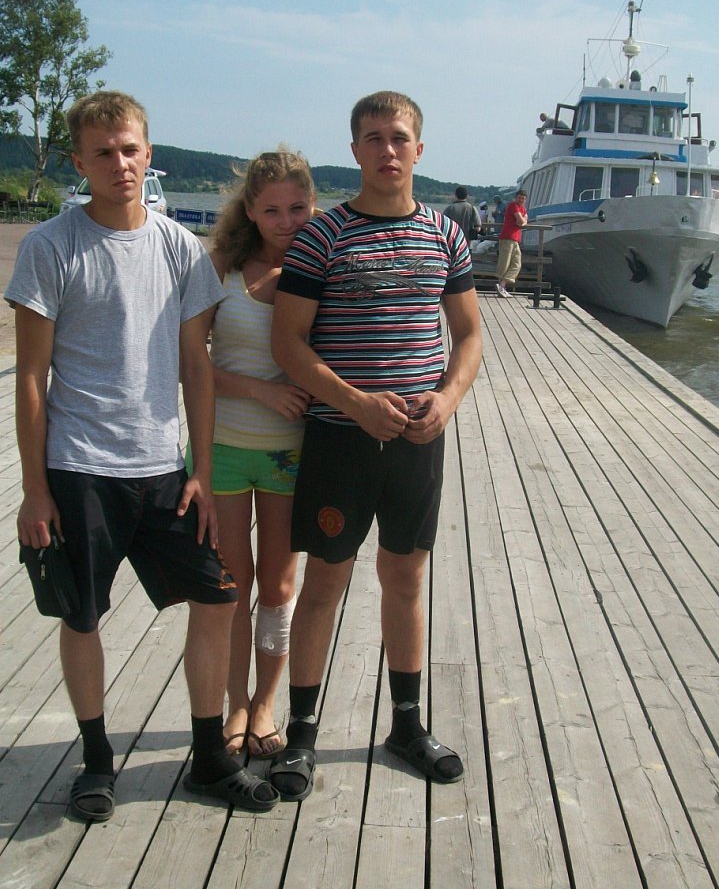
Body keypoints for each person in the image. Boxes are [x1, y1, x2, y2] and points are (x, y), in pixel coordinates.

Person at [6, 90, 279, 821]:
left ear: (148, 153)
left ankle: (210, 757)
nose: (119, 164)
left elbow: (196, 365)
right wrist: (35, 489)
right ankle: (97, 760)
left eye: (130, 150)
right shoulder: (50, 247)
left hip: (164, 468)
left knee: (219, 598)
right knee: (82, 616)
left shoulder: (179, 248)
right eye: (103, 153)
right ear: (80, 162)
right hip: (78, 467)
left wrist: (200, 469)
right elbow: (30, 376)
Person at [266, 90, 482, 802]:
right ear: (355, 149)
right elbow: (288, 343)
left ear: (419, 148)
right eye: (373, 138)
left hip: (418, 440)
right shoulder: (323, 237)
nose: (387, 150)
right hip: (340, 440)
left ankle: (407, 726)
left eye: (399, 137)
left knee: (406, 578)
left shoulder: (445, 236)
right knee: (325, 581)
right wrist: (355, 403)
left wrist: (447, 400)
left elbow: (469, 335)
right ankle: (301, 735)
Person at [191, 150, 313, 761]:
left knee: (280, 583)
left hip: (292, 454)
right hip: (226, 448)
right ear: (249, 212)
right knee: (232, 584)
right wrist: (261, 390)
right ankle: (235, 701)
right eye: (271, 211)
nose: (286, 222)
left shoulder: (319, 268)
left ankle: (267, 701)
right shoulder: (221, 267)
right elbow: (191, 363)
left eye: (297, 208)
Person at [496, 189, 528, 297]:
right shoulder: (513, 205)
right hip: (507, 237)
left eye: (523, 198)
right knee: (504, 263)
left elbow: (524, 220)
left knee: (517, 264)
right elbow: (521, 221)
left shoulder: (522, 208)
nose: (521, 200)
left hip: (515, 239)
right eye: (519, 198)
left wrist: (523, 221)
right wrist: (523, 221)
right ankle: (501, 286)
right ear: (516, 197)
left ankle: (502, 285)